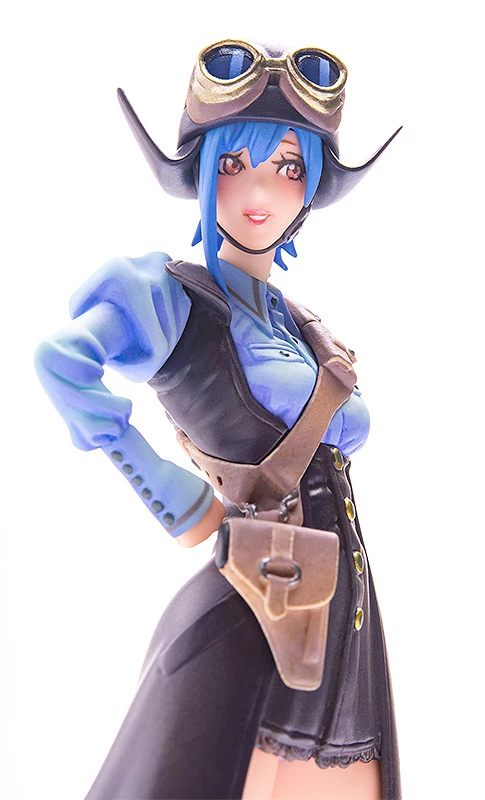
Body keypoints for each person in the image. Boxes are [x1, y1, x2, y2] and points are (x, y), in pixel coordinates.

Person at [35, 39, 402, 800]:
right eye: (234, 164)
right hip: (258, 598)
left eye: (288, 167)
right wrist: (170, 492)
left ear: (313, 185)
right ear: (202, 173)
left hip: (345, 611)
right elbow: (62, 360)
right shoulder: (170, 297)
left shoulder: (302, 326)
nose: (260, 190)